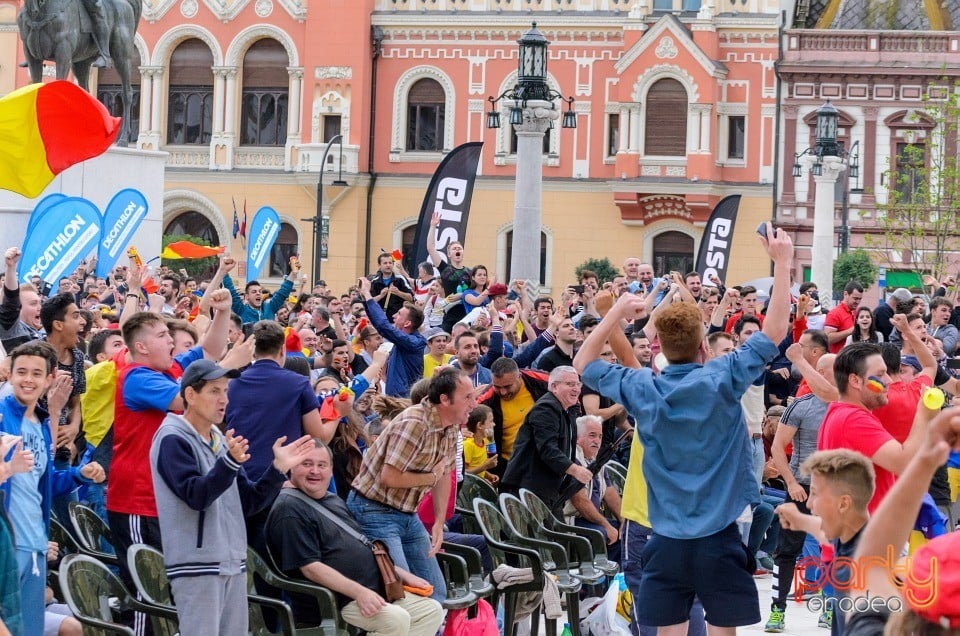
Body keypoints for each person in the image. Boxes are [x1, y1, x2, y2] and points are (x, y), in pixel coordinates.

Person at [574, 225, 795, 634]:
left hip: (665, 542)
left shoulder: (643, 387)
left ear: (662, 348)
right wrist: (782, 263)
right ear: (703, 347)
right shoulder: (723, 377)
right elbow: (776, 332)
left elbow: (584, 364)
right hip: (720, 538)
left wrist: (616, 311)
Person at [150, 359, 314, 636]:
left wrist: (277, 471)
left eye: (226, 391)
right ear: (191, 395)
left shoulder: (218, 437)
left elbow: (248, 502)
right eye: (215, 391)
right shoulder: (172, 438)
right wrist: (228, 462)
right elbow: (196, 496)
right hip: (196, 565)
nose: (224, 399)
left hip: (231, 561)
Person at [106, 288, 243, 603]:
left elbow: (210, 350)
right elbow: (187, 402)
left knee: (171, 598)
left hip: (162, 499)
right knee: (148, 602)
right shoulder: (138, 377)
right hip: (137, 502)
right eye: (162, 335)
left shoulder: (170, 369)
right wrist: (231, 364)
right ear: (140, 346)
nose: (171, 340)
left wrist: (222, 312)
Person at [266, 440, 444, 636]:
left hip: (374, 589)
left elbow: (364, 548)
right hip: (337, 600)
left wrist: (402, 574)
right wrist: (359, 592)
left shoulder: (332, 499)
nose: (315, 471)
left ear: (331, 470)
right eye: (306, 464)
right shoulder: (289, 508)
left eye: (321, 465)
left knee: (431, 611)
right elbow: (310, 568)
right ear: (291, 466)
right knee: (395, 620)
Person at [1, 341, 105, 631]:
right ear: (9, 375)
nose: (28, 379)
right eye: (21, 372)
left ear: (50, 379)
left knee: (31, 629)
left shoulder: (41, 424)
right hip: (7, 547)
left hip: (35, 545)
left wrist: (78, 474)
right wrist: (8, 468)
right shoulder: (1, 416)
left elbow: (43, 483)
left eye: (37, 373)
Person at [347, 367, 475, 603]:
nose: (474, 404)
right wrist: (430, 477)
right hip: (374, 510)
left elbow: (444, 471)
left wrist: (439, 521)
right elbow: (390, 477)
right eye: (467, 397)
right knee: (400, 594)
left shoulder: (451, 423)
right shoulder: (415, 422)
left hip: (407, 514)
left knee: (436, 593)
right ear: (445, 400)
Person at [764, 349, 836, 632]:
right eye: (828, 371)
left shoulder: (847, 404)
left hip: (832, 489)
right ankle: (777, 610)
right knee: (786, 550)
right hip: (802, 487)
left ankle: (830, 607)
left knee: (834, 548)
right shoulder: (802, 405)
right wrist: (791, 483)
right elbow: (779, 447)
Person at [817, 335, 928, 514]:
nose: (889, 381)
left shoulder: (841, 412)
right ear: (855, 381)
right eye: (879, 375)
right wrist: (924, 414)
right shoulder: (854, 419)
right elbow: (903, 462)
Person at [775, 449, 874, 636]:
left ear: (844, 503)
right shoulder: (847, 539)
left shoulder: (863, 570)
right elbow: (820, 529)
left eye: (814, 494)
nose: (809, 504)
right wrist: (800, 520)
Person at [500, 366, 592, 513]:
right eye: (570, 384)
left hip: (547, 491)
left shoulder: (567, 409)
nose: (576, 389)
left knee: (557, 534)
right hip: (528, 490)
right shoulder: (546, 409)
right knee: (550, 535)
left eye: (577, 384)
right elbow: (547, 449)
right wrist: (575, 470)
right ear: (554, 386)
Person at [562, 414, 622, 563]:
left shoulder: (595, 460)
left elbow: (610, 493)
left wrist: (625, 522)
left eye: (600, 436)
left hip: (590, 520)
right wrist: (607, 525)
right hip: (571, 520)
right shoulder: (573, 459)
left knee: (628, 533)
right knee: (601, 533)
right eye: (592, 435)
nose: (597, 441)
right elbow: (580, 501)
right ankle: (592, 584)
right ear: (577, 437)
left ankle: (614, 581)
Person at [357, 276, 425, 397]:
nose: (393, 316)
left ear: (408, 323)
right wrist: (364, 297)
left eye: (399, 314)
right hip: (396, 400)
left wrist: (368, 294)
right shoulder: (403, 342)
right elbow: (380, 326)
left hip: (404, 402)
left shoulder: (414, 342)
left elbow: (383, 326)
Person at [222, 256, 297, 324]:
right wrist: (224, 271)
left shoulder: (270, 307)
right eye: (254, 292)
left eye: (260, 291)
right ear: (247, 296)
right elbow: (231, 290)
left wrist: (293, 273)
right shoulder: (241, 309)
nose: (258, 293)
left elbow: (283, 292)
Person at [1, 248, 43, 352]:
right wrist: (11, 268)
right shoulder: (12, 330)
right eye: (33, 304)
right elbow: (11, 301)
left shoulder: (44, 333)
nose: (39, 308)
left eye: (40, 303)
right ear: (18, 309)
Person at [369, 253, 414, 321]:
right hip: (380, 319)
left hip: (398, 319)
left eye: (390, 263)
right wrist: (381, 296)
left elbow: (411, 298)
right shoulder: (374, 282)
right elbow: (370, 302)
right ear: (379, 265)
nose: (388, 265)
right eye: (385, 263)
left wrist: (398, 292)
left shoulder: (400, 279)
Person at [823, 282, 864, 354]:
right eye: (855, 298)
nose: (858, 302)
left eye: (860, 299)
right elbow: (827, 338)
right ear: (846, 294)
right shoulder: (834, 313)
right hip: (839, 359)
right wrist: (850, 331)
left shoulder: (858, 312)